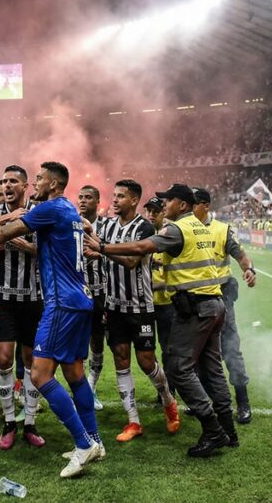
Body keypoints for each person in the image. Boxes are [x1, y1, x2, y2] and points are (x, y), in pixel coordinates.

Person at [0, 162, 102, 479]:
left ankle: (83, 444)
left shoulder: (51, 208)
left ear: (53, 184)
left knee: (40, 375)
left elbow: (0, 232)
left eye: (39, 178)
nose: (35, 183)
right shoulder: (67, 209)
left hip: (60, 303)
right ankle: (94, 440)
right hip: (80, 300)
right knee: (75, 373)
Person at [88, 183, 235, 458]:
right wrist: (100, 248)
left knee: (176, 366)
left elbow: (139, 252)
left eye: (168, 201)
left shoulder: (175, 228)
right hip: (209, 304)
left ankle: (208, 426)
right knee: (211, 368)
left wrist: (104, 248)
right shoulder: (199, 226)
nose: (163, 205)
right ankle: (226, 430)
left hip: (188, 308)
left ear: (182, 204)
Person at [87, 180, 179, 442]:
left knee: (147, 361)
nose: (114, 200)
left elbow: (131, 261)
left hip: (141, 307)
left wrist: (102, 249)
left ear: (134, 200)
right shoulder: (108, 226)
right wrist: (97, 253)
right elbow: (103, 253)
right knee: (121, 360)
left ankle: (168, 400)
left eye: (121, 197)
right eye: (114, 196)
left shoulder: (145, 227)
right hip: (114, 306)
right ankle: (133, 421)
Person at [0, 165, 45, 450]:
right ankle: (8, 421)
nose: (7, 185)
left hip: (33, 299)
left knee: (32, 362)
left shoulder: (39, 212)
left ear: (25, 185)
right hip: (2, 299)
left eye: (13, 181)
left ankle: (30, 422)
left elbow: (47, 251)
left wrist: (19, 243)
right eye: (4, 181)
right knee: (4, 358)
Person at [192, 187, 257, 425]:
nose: (189, 208)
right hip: (196, 301)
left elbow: (240, 254)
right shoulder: (185, 228)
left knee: (230, 351)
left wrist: (248, 269)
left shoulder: (222, 229)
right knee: (198, 355)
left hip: (222, 298)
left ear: (205, 206)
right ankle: (207, 400)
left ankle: (243, 402)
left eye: (194, 203)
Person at [77, 185, 108, 411]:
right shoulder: (71, 223)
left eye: (88, 197)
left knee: (97, 342)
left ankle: (92, 389)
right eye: (81, 197)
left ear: (98, 201)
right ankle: (79, 390)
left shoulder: (107, 226)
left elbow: (115, 252)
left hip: (100, 293)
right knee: (77, 344)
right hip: (77, 291)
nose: (83, 201)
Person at [144, 197, 176, 400]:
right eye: (149, 211)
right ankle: (162, 387)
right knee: (147, 350)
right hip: (146, 305)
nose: (151, 214)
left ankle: (170, 389)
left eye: (156, 211)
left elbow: (174, 274)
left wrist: (152, 286)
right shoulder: (142, 235)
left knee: (168, 350)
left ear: (163, 213)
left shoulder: (171, 237)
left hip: (166, 304)